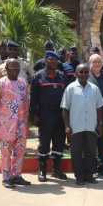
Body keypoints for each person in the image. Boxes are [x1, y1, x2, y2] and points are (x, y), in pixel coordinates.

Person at [0, 59, 31, 189]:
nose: (16, 69)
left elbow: (26, 103)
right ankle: (6, 177)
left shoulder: (23, 84)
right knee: (6, 152)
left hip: (21, 124)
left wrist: (26, 122)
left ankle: (16, 175)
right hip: (6, 124)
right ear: (6, 69)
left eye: (18, 67)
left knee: (20, 150)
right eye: (12, 67)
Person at [61, 64, 103, 185]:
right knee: (76, 152)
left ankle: (89, 175)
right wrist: (67, 126)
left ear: (89, 74)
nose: (84, 74)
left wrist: (100, 124)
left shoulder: (94, 89)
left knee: (91, 151)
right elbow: (65, 109)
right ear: (76, 74)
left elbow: (99, 107)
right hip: (76, 127)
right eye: (81, 72)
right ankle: (79, 176)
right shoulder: (70, 88)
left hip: (91, 126)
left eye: (86, 72)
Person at [30, 51, 68, 182]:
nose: (54, 62)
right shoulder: (38, 76)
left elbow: (67, 97)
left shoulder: (62, 77)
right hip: (45, 115)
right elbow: (33, 97)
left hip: (60, 115)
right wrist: (34, 115)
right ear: (45, 61)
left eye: (55, 60)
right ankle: (42, 170)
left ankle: (56, 170)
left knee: (59, 142)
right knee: (44, 142)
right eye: (51, 59)